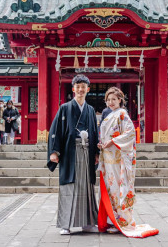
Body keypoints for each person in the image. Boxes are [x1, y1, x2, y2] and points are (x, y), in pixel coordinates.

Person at [98, 87, 159, 238]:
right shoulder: (109, 115)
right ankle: (111, 220)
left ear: (120, 100)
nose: (110, 102)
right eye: (108, 100)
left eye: (113, 99)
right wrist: (102, 144)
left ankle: (122, 222)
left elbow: (130, 134)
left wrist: (112, 141)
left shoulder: (123, 114)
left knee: (119, 188)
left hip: (118, 160)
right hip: (108, 159)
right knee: (109, 189)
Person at [47, 74, 99, 235]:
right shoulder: (65, 108)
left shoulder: (90, 110)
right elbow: (55, 131)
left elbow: (94, 132)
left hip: (87, 152)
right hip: (70, 151)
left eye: (84, 87)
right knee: (69, 186)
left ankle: (88, 223)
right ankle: (66, 224)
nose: (81, 89)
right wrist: (54, 151)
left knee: (87, 187)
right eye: (78, 86)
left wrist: (96, 153)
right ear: (73, 89)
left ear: (88, 89)